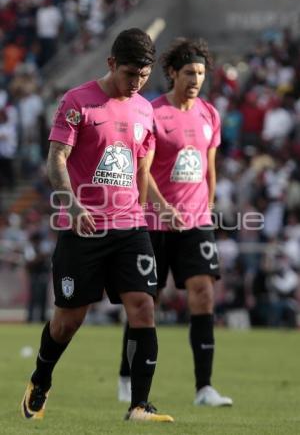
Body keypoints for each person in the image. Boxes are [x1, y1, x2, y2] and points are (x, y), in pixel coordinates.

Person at [21, 28, 173, 423]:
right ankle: (41, 378)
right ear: (110, 64)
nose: (136, 83)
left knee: (143, 306)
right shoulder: (77, 102)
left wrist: (140, 213)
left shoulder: (145, 109)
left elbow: (141, 166)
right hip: (83, 227)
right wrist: (69, 204)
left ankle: (139, 405)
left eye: (143, 75)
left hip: (130, 227)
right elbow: (56, 159)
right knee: (68, 321)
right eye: (129, 74)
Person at [118, 37, 233, 407]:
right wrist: (163, 206)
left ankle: (204, 388)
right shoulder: (153, 113)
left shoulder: (210, 115)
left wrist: (207, 208)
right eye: (189, 72)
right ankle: (126, 375)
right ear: (171, 73)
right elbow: (142, 169)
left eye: (200, 72)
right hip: (153, 222)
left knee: (203, 293)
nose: (196, 78)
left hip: (195, 221)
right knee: (144, 301)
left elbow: (209, 171)